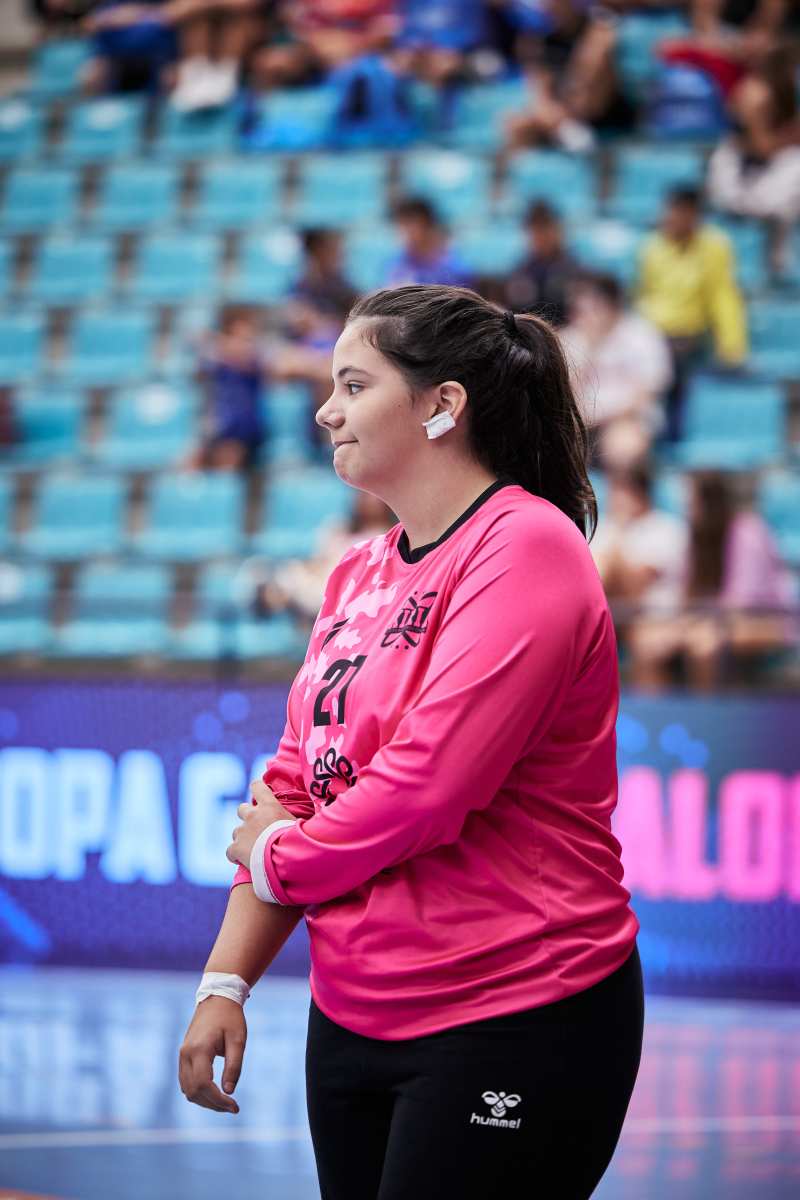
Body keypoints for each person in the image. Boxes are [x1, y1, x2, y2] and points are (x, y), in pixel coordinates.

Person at [178, 283, 645, 1199]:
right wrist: (224, 983)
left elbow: (427, 786)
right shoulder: (356, 571)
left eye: (354, 385)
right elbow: (295, 783)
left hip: (517, 1007)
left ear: (442, 405)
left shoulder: (529, 544)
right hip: (351, 1017)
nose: (326, 410)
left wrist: (280, 858)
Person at [626, 469, 799, 690]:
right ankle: (654, 712)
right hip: (711, 619)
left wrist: (692, 625)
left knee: (704, 646)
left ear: (710, 503)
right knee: (647, 641)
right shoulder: (694, 538)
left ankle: (707, 712)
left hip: (768, 621)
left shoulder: (748, 532)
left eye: (691, 502)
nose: (686, 508)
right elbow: (685, 593)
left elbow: (742, 604)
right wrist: (679, 625)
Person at [636, 185, 748, 442]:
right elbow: (642, 294)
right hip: (653, 335)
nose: (672, 219)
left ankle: (673, 432)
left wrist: (732, 345)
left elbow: (723, 297)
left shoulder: (715, 246)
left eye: (681, 213)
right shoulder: (650, 247)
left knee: (677, 365)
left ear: (694, 215)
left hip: (690, 337)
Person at [559, 272, 673, 469]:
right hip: (581, 423)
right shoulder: (570, 338)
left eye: (593, 306)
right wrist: (589, 349)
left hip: (629, 419)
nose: (585, 314)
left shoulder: (642, 336)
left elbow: (646, 395)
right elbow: (568, 392)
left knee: (622, 447)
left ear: (612, 305)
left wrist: (601, 417)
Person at [588, 462, 690, 677]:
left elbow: (637, 585)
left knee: (646, 645)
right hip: (612, 617)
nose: (616, 499)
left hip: (656, 617)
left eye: (623, 491)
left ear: (641, 494)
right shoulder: (604, 528)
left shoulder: (666, 529)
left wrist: (617, 540)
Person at [252, 490, 396, 630]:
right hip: (322, 577)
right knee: (284, 570)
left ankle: (282, 602)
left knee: (311, 591)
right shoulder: (339, 526)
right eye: (363, 495)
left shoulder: (390, 537)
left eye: (372, 496)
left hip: (349, 590)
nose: (366, 500)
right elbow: (318, 561)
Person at [183, 305, 269, 471]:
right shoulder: (216, 359)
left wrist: (216, 344)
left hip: (242, 427)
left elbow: (248, 358)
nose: (242, 344)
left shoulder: (255, 359)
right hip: (219, 424)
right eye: (238, 337)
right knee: (189, 463)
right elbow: (200, 366)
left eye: (247, 339)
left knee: (227, 460)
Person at [503, 199, 582, 327]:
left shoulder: (574, 270)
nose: (541, 237)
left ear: (558, 230)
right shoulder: (521, 273)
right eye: (535, 230)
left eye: (545, 228)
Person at [384, 196, 473, 287]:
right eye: (400, 226)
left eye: (408, 225)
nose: (403, 232)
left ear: (426, 224)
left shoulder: (455, 265)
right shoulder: (397, 264)